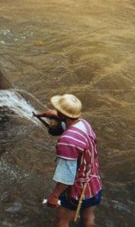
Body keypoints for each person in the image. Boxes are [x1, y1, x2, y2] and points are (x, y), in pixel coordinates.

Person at [35, 94, 102, 227]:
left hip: (76, 192)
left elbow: (67, 175)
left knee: (62, 221)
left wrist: (54, 196)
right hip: (93, 186)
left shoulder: (67, 141)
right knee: (88, 218)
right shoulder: (84, 124)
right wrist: (54, 114)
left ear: (62, 113)